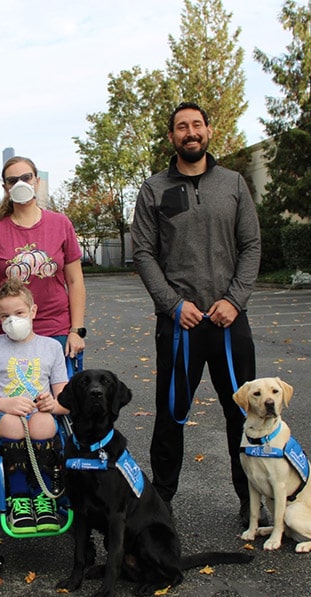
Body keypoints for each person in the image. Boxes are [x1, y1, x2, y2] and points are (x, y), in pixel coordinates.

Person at [130, 102, 263, 528]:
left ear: (208, 131)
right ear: (172, 137)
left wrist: (234, 300)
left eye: (197, 125)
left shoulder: (234, 184)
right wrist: (173, 305)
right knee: (170, 415)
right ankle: (160, 503)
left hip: (229, 320)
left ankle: (251, 500)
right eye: (182, 127)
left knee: (244, 412)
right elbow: (144, 253)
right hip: (179, 324)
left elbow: (251, 247)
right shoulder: (153, 189)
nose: (191, 132)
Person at [0, 279, 70, 534]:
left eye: (19, 313)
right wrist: (2, 403)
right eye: (5, 316)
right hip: (2, 420)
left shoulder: (51, 347)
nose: (12, 320)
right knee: (12, 423)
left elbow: (66, 402)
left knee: (44, 422)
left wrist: (52, 404)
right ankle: (19, 497)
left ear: (33, 311)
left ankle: (44, 497)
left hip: (39, 416)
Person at [0, 156, 87, 368]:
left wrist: (76, 331)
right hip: (4, 330)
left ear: (37, 181)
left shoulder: (61, 224)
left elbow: (75, 281)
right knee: (9, 397)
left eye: (26, 177)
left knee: (58, 399)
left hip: (55, 331)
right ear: (5, 188)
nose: (21, 184)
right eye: (13, 180)